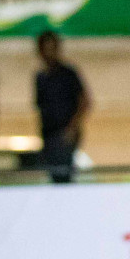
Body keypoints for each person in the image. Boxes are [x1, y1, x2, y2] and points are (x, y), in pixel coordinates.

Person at [34, 30, 89, 184]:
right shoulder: (41, 77)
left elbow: (84, 101)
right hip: (49, 135)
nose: (48, 53)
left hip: (63, 135)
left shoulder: (68, 74)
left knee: (63, 176)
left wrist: (72, 128)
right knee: (55, 176)